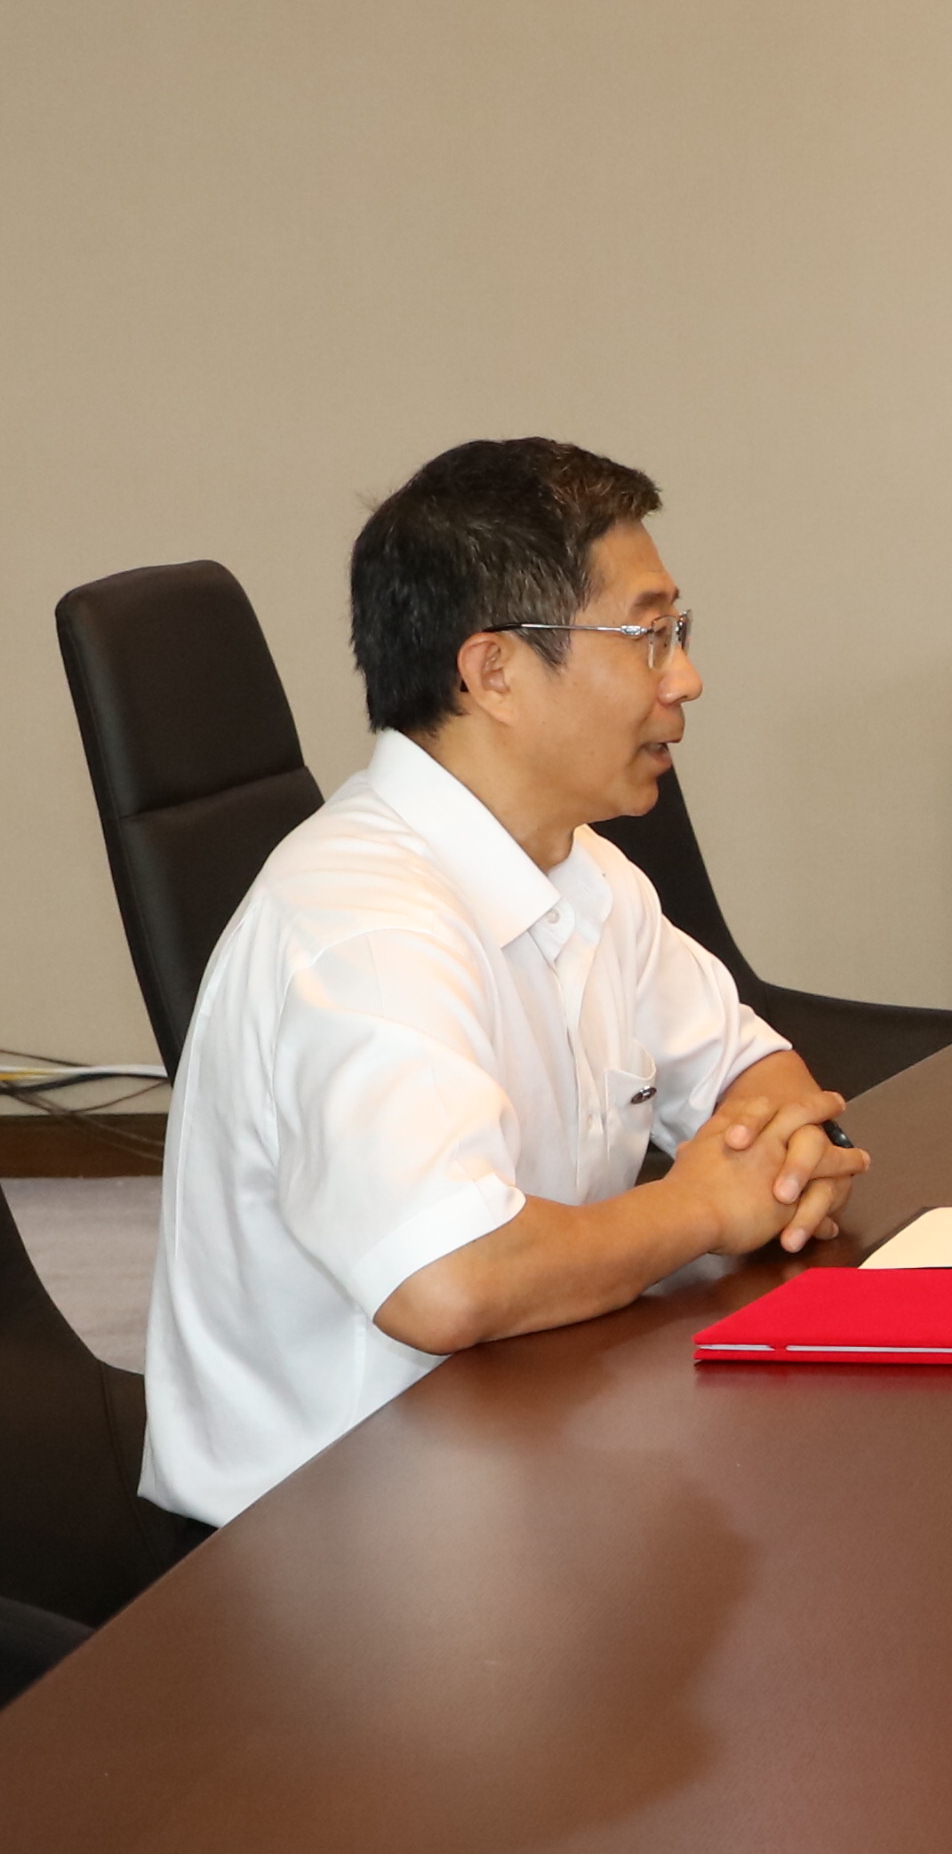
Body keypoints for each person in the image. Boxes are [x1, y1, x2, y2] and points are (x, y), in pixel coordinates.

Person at [145, 438, 867, 1526]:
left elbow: (753, 1072)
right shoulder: (362, 925)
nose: (685, 678)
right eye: (649, 636)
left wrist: (779, 1159)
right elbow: (449, 1280)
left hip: (524, 1450)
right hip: (316, 1542)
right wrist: (702, 1206)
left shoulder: (583, 868)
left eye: (679, 632)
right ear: (493, 674)